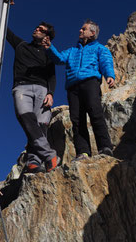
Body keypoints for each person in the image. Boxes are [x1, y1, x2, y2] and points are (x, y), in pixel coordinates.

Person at [43, 19, 115, 161]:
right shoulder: (72, 51)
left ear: (92, 33)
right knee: (77, 120)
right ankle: (83, 152)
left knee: (95, 113)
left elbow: (106, 62)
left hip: (90, 83)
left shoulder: (99, 48)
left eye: (83, 29)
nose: (80, 31)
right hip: (73, 88)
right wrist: (50, 47)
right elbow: (59, 59)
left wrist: (109, 75)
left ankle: (105, 147)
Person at [6, 22, 59, 173]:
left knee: (41, 126)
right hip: (22, 87)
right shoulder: (21, 45)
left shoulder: (48, 54)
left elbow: (52, 76)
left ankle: (33, 161)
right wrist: (5, 1)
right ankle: (49, 154)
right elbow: (4, 29)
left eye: (41, 29)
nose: (36, 29)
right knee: (26, 118)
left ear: (47, 36)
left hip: (43, 90)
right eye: (37, 27)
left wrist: (51, 93)